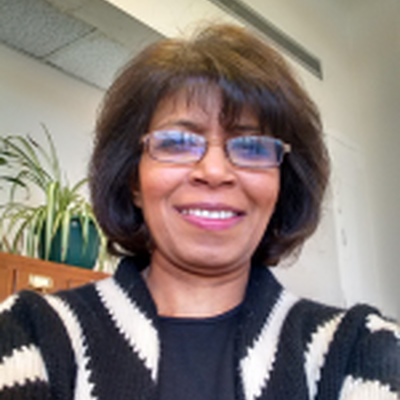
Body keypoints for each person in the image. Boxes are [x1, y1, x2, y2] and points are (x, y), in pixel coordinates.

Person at [0, 24, 399, 400]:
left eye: (253, 147)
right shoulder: (29, 332)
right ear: (134, 181)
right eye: (176, 142)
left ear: (281, 185)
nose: (214, 171)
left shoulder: (362, 348)